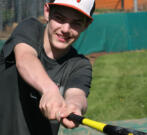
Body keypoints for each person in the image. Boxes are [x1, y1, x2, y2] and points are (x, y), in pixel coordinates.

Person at [0, 0, 95, 135]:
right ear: (47, 12)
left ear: (86, 25)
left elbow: (77, 94)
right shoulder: (30, 28)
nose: (65, 29)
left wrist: (74, 106)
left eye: (76, 23)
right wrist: (50, 90)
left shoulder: (80, 65)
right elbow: (25, 58)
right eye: (60, 18)